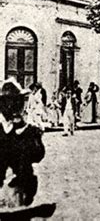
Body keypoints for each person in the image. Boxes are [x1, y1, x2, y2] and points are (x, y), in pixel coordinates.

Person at [0, 79, 45, 207]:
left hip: (19, 189)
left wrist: (34, 136)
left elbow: (38, 155)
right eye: (8, 102)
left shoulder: (28, 131)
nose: (14, 106)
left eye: (17, 102)